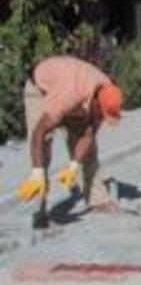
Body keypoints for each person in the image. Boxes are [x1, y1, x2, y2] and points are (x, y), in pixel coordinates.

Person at [17, 55, 123, 227]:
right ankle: (40, 209)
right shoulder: (69, 94)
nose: (101, 118)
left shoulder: (106, 93)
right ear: (95, 102)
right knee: (43, 149)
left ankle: (97, 199)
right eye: (100, 114)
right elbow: (39, 133)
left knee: (90, 152)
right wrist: (37, 172)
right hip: (41, 90)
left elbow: (88, 135)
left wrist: (73, 165)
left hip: (76, 98)